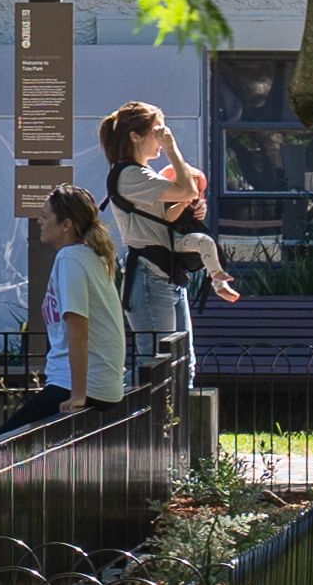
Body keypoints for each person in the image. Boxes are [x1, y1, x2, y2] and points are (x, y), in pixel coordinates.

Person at [101, 99, 240, 392]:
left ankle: (178, 432)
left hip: (166, 276)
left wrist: (191, 210)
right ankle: (115, 415)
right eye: (157, 132)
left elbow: (170, 211)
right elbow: (187, 188)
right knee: (156, 364)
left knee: (182, 362)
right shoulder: (129, 175)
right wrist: (174, 146)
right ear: (135, 136)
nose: (161, 141)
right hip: (150, 277)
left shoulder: (141, 174)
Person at [35, 185, 133, 416]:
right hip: (91, 385)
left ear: (66, 225)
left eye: (45, 216)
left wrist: (78, 395)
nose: (39, 221)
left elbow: (78, 330)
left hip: (77, 386)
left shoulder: (71, 258)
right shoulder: (88, 256)